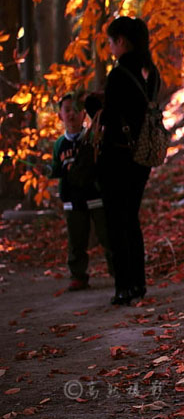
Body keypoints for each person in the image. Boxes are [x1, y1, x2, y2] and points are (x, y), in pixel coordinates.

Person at [85, 16, 160, 305]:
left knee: (117, 221)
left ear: (122, 41)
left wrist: (93, 106)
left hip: (117, 156)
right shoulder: (151, 71)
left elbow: (111, 121)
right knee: (132, 220)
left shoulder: (118, 74)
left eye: (111, 42)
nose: (110, 47)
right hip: (143, 155)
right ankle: (138, 285)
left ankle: (124, 287)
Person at [52, 93, 115, 290]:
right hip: (72, 200)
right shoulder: (59, 144)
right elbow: (56, 170)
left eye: (76, 110)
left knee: (108, 235)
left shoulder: (93, 138)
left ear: (84, 115)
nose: (72, 114)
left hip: (95, 196)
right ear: (60, 116)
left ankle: (118, 270)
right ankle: (78, 275)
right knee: (76, 239)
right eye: (67, 110)